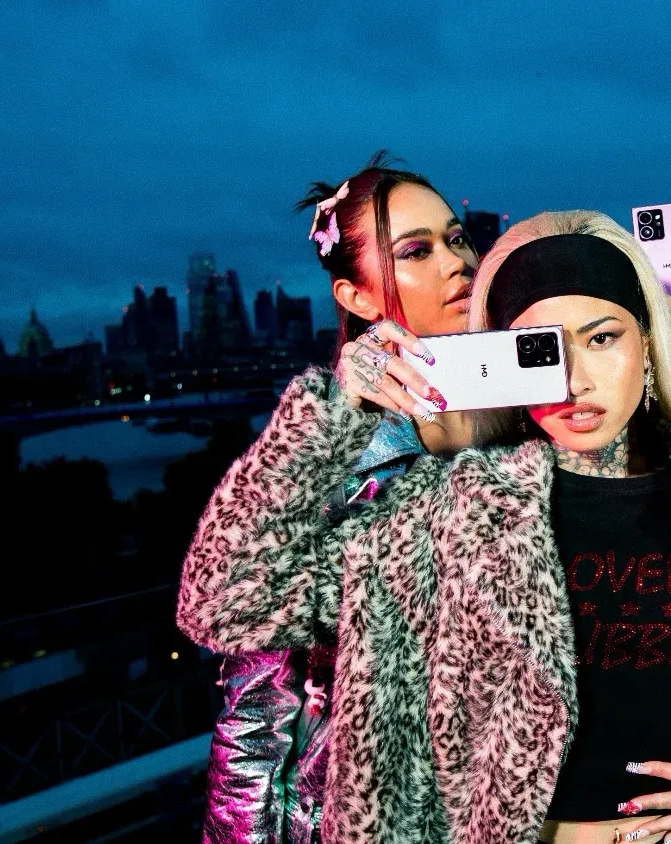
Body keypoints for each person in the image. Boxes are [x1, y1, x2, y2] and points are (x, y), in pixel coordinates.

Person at [178, 210, 671, 843]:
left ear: (648, 345)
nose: (574, 379)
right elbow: (224, 601)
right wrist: (337, 410)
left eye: (602, 338)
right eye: (540, 350)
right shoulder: (457, 511)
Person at [199, 153, 478, 843]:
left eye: (458, 236)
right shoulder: (329, 467)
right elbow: (254, 713)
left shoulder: (533, 424)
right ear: (356, 298)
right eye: (416, 250)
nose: (457, 262)